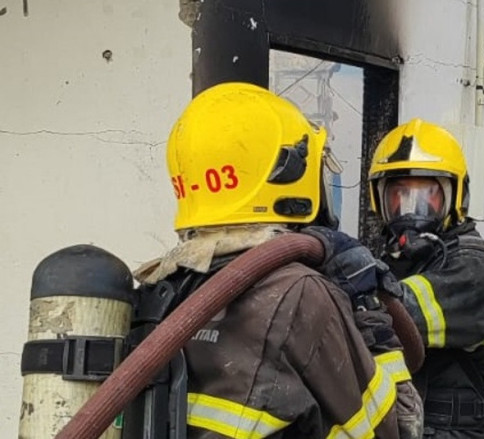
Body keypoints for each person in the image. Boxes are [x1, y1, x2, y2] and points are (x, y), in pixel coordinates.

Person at [130, 82, 419, 439]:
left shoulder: (163, 287)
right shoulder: (298, 294)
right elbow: (392, 429)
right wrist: (370, 314)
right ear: (291, 174)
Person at [367, 119, 484, 439]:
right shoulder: (393, 261)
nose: (410, 208)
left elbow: (404, 314)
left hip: (454, 431)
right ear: (380, 199)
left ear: (454, 197)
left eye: (426, 194)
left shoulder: (477, 267)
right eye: (398, 194)